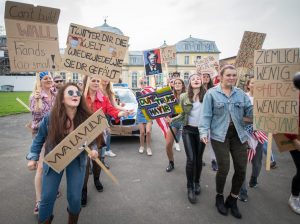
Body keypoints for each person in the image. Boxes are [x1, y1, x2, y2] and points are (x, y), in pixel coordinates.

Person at [26, 83, 99, 223]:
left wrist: (94, 150)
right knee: (47, 196)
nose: (75, 95)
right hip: (55, 160)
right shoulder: (50, 117)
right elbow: (39, 138)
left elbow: (92, 138)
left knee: (75, 198)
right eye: (70, 93)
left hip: (77, 159)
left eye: (77, 93)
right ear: (62, 99)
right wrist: (33, 157)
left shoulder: (85, 117)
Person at [200, 65, 253, 219]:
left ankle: (233, 199)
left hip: (239, 135)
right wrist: (203, 132)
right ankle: (219, 197)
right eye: (228, 75)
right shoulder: (211, 94)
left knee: (241, 169)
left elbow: (250, 112)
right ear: (221, 76)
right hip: (219, 135)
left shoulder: (241, 94)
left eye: (234, 75)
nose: (231, 78)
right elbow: (206, 116)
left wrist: (262, 109)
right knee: (224, 168)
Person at [81, 76, 129, 207]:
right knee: (85, 164)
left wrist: (121, 114)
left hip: (99, 134)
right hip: (83, 135)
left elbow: (111, 110)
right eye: (93, 80)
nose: (96, 83)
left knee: (98, 160)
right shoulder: (80, 97)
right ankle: (83, 190)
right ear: (87, 82)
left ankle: (96, 180)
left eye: (98, 80)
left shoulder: (103, 97)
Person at [170, 74, 206, 204]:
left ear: (201, 81)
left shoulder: (208, 95)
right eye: (193, 79)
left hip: (202, 132)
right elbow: (180, 113)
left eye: (198, 78)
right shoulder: (184, 96)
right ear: (189, 82)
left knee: (198, 159)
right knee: (191, 159)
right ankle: (189, 187)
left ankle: (197, 182)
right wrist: (172, 119)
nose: (196, 80)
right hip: (188, 130)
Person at [29, 71, 57, 215]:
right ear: (39, 81)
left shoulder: (56, 93)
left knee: (53, 162)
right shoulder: (35, 96)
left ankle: (52, 186)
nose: (48, 80)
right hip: (42, 134)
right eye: (45, 78)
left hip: (56, 133)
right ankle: (39, 201)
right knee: (40, 167)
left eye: (50, 78)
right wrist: (37, 104)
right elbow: (35, 116)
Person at [238, 77, 265, 202]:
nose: (256, 85)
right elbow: (238, 115)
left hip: (259, 134)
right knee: (242, 162)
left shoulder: (266, 98)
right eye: (253, 82)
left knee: (257, 162)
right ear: (248, 85)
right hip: (244, 134)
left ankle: (254, 178)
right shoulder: (242, 97)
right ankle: (242, 191)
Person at [100, 79, 132, 158]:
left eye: (107, 78)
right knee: (101, 134)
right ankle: (102, 153)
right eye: (104, 78)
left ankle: (105, 151)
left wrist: (125, 110)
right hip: (97, 115)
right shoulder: (96, 89)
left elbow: (115, 106)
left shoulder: (110, 92)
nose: (106, 80)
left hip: (107, 115)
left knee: (107, 133)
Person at [164, 78, 186, 172]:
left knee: (191, 145)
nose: (177, 84)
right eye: (175, 83)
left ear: (183, 85)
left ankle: (197, 160)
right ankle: (171, 162)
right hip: (174, 121)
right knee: (168, 144)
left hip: (186, 122)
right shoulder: (170, 96)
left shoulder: (188, 95)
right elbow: (163, 107)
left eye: (179, 83)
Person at [202, 72, 218, 171]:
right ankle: (200, 158)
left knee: (212, 141)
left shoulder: (214, 89)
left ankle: (214, 160)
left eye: (208, 76)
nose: (206, 78)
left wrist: (217, 69)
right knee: (202, 140)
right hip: (202, 118)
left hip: (213, 118)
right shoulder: (197, 89)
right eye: (204, 76)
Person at [136, 78, 153, 156]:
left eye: (145, 82)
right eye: (141, 82)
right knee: (142, 132)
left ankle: (149, 147)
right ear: (139, 84)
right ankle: (142, 146)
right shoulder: (138, 93)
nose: (143, 83)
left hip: (148, 112)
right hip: (140, 112)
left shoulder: (150, 91)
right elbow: (140, 102)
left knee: (148, 132)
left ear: (147, 83)